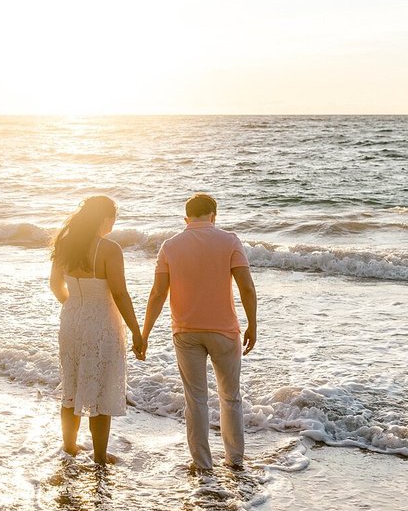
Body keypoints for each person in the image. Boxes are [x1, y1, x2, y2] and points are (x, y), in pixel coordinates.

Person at [141, 193, 257, 470]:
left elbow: (158, 293)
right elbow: (246, 287)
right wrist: (253, 323)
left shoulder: (170, 246)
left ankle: (203, 464)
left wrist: (144, 333)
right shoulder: (229, 240)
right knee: (230, 397)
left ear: (186, 218)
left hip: (186, 332)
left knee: (196, 400)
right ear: (214, 215)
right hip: (225, 331)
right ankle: (235, 460)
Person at [49, 195, 145, 465]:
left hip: (70, 320)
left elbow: (55, 284)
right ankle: (100, 460)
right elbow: (120, 293)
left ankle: (69, 449)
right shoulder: (109, 249)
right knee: (100, 392)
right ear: (104, 218)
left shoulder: (65, 244)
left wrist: (74, 306)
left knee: (72, 386)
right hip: (101, 321)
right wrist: (137, 332)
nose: (114, 222)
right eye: (113, 216)